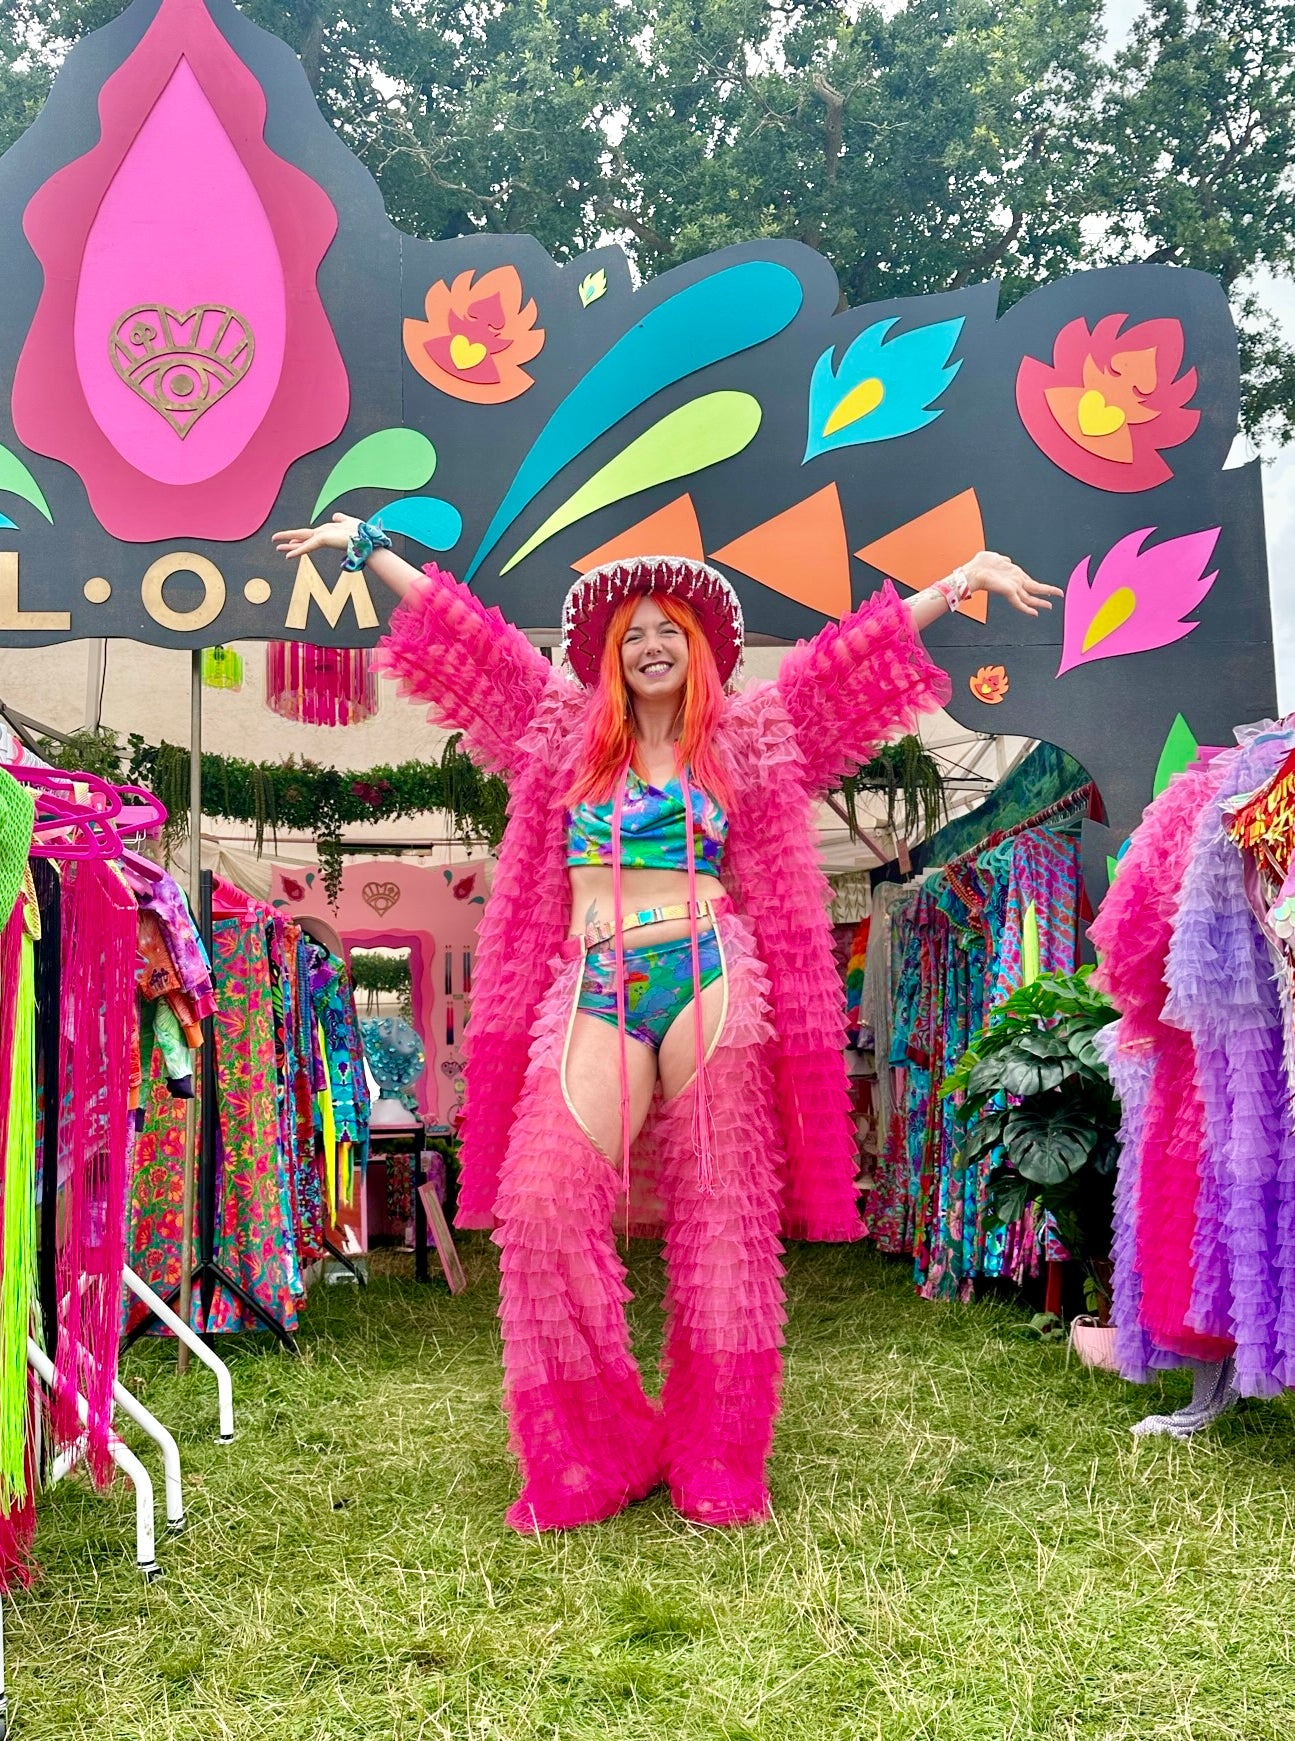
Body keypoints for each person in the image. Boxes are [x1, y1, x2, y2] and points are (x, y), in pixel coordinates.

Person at [273, 514, 1060, 1532]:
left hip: (709, 971)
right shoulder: (559, 730)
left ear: (697, 647)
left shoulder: (744, 736)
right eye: (632, 630)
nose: (650, 643)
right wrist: (364, 546)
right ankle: (592, 1452)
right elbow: (473, 646)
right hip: (594, 976)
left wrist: (957, 581)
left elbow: (845, 667)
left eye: (670, 629)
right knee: (543, 1203)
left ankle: (720, 1458)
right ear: (608, 652)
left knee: (724, 1225)